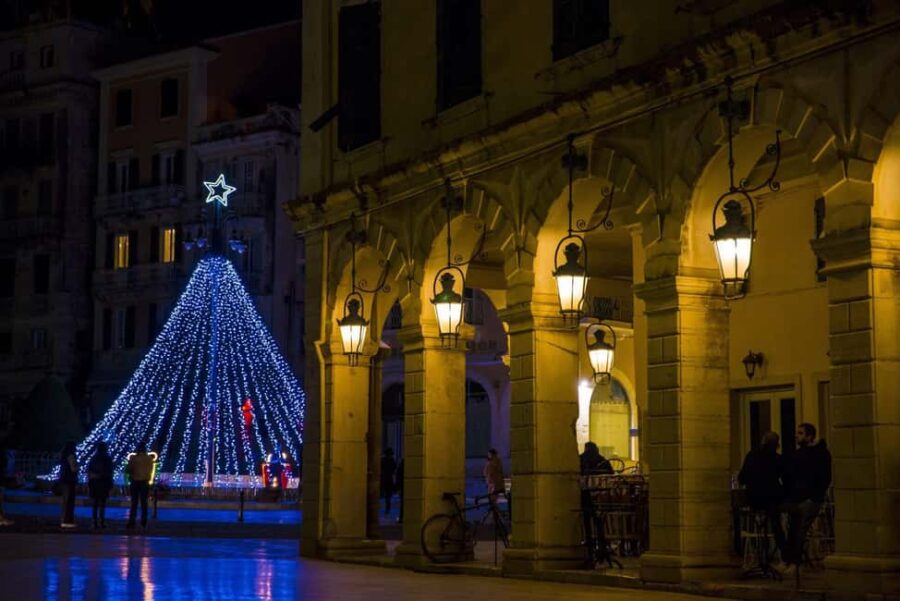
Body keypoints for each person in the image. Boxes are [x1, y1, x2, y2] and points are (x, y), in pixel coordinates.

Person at [778, 423, 832, 573]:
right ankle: (788, 559)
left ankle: (795, 562)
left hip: (810, 499)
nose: (797, 435)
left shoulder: (820, 454)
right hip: (796, 497)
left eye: (800, 433)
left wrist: (815, 497)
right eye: (797, 433)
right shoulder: (797, 454)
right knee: (792, 528)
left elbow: (824, 478)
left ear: (809, 436)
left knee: (799, 530)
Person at [738, 432, 786, 555]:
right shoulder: (778, 459)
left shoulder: (751, 456)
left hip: (754, 498)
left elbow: (742, 478)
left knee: (745, 518)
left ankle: (748, 549)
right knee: (777, 522)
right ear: (776, 445)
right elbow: (786, 479)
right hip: (772, 499)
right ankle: (784, 550)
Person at [126, 444, 154, 529]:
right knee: (144, 503)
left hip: (135, 481)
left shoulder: (134, 458)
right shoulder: (149, 459)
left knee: (134, 503)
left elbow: (128, 469)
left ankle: (132, 521)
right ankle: (144, 521)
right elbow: (150, 470)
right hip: (145, 482)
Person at [87, 442, 114, 529]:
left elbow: (89, 471)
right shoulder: (107, 458)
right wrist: (110, 484)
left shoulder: (93, 458)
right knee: (102, 503)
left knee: (95, 503)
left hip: (95, 482)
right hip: (104, 482)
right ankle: (101, 521)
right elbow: (109, 472)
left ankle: (94, 521)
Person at [59, 441, 78, 529]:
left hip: (64, 479)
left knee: (65, 500)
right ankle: (67, 519)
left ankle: (63, 518)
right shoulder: (71, 456)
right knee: (69, 500)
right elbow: (73, 469)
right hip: (70, 480)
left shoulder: (63, 456)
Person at [380, 448, 397, 515]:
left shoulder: (383, 460)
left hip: (384, 479)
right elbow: (394, 468)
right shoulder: (391, 460)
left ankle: (387, 506)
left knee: (387, 494)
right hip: (389, 479)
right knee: (388, 495)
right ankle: (388, 506)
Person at [395, 457, 404, 523]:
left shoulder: (402, 463)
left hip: (403, 486)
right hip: (404, 486)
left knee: (403, 503)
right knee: (403, 503)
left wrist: (398, 487)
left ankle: (401, 517)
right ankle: (401, 517)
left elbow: (398, 474)